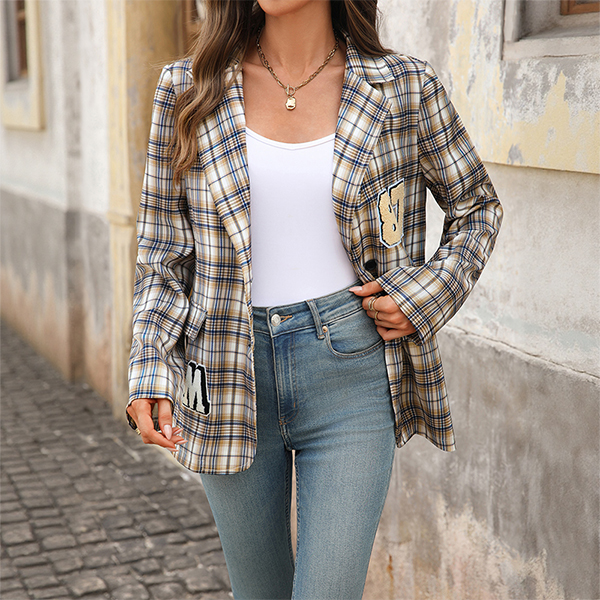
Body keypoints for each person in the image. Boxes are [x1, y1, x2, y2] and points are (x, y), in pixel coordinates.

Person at [126, 1, 503, 598]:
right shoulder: (188, 88)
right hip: (224, 369)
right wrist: (150, 366)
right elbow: (163, 255)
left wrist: (423, 296)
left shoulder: (404, 86)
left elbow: (477, 206)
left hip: (350, 372)